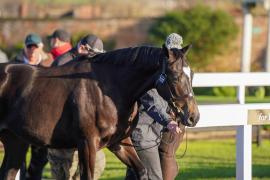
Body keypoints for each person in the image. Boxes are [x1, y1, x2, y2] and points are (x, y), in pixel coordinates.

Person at [125, 33, 184, 180]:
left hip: (153, 133)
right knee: (154, 177)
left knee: (136, 176)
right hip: (142, 135)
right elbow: (152, 102)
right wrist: (168, 121)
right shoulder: (151, 72)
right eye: (170, 53)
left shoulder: (171, 73)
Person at [47, 34, 106, 180]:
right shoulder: (63, 64)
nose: (93, 59)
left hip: (81, 132)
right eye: (91, 54)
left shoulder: (84, 63)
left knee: (97, 163)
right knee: (66, 174)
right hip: (62, 137)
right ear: (82, 48)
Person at [12, 33, 51, 180]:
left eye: (35, 47)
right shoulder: (14, 65)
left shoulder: (50, 64)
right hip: (18, 118)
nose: (32, 51)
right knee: (17, 156)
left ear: (41, 47)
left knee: (39, 158)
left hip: (42, 118)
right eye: (29, 47)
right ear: (25, 48)